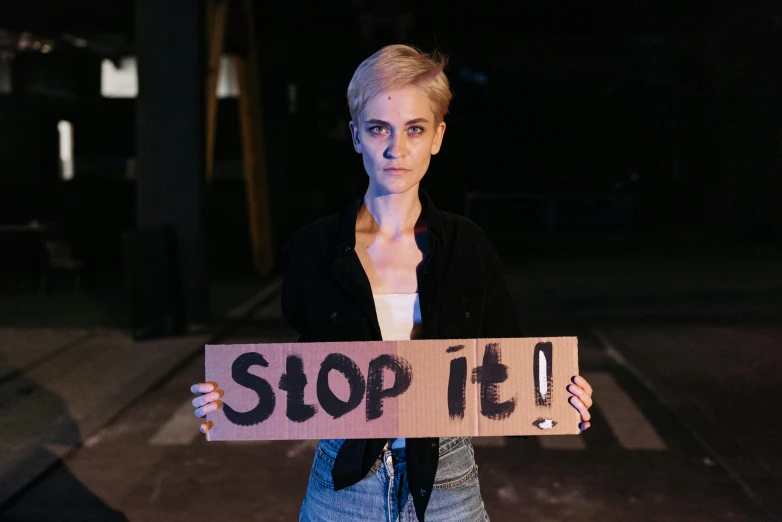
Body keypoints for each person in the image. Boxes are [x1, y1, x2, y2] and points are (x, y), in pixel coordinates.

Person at [190, 44, 594, 522]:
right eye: (378, 127)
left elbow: (510, 361)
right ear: (356, 136)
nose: (395, 149)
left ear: (438, 136)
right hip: (343, 482)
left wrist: (561, 395)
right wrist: (231, 398)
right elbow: (305, 368)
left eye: (414, 129)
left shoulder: (468, 246)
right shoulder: (312, 248)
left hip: (447, 478)